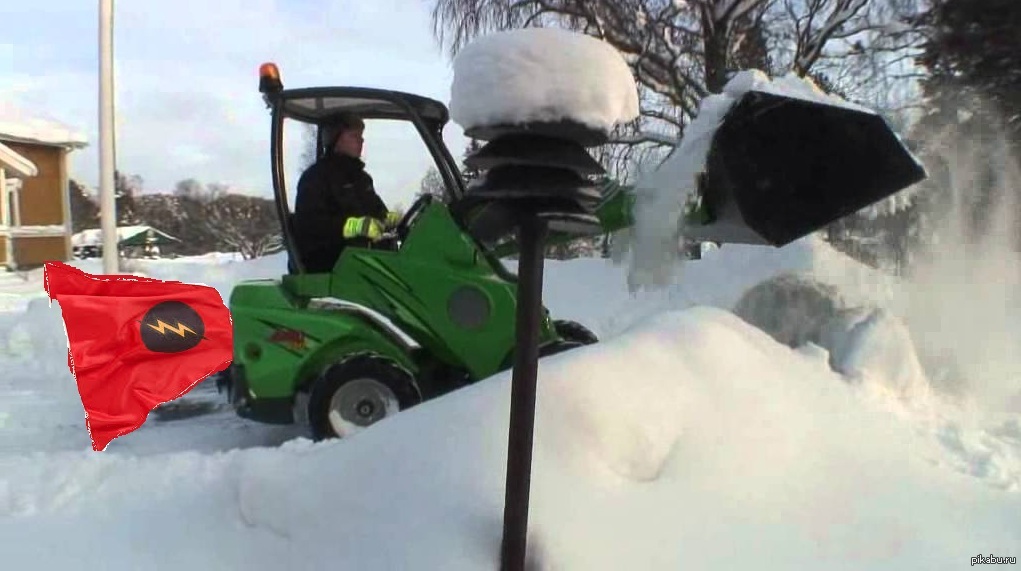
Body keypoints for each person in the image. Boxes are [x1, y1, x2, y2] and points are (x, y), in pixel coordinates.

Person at [292, 112, 400, 273]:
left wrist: (389, 219)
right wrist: (354, 227)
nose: (361, 141)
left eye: (361, 136)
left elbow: (377, 211)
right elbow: (311, 225)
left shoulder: (362, 179)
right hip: (331, 263)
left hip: (362, 258)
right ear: (335, 139)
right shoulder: (315, 178)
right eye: (354, 135)